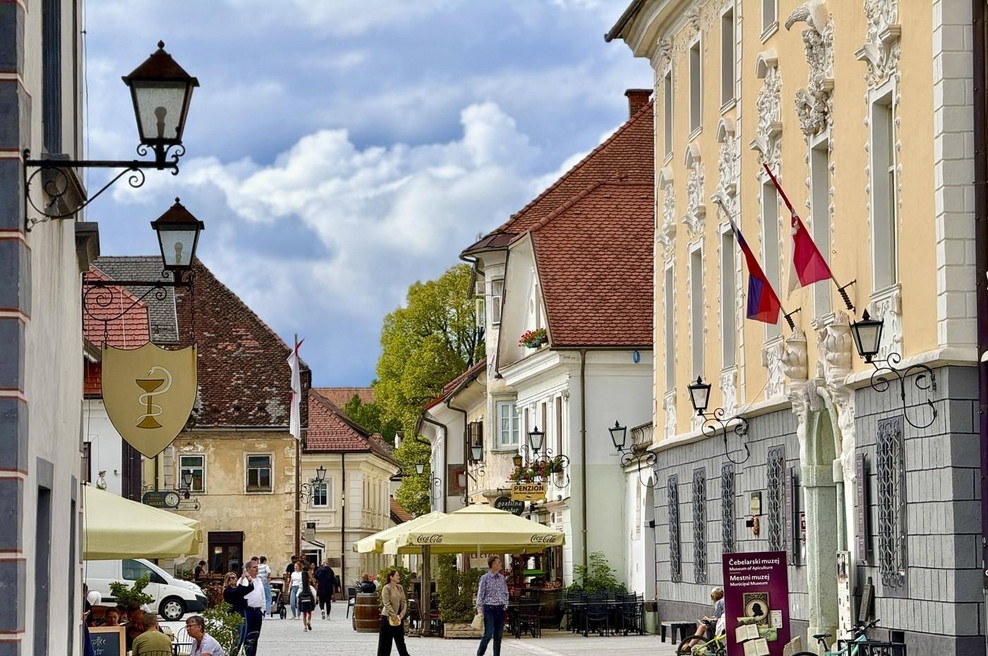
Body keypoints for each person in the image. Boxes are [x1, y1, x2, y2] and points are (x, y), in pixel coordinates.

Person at [475, 556, 509, 656]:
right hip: (489, 608)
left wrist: (505, 604)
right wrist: (480, 609)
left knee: (498, 636)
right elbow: (480, 594)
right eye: (499, 562)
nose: (501, 564)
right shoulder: (485, 578)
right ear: (493, 564)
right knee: (488, 634)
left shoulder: (502, 578)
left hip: (500, 608)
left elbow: (505, 592)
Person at [377, 569, 410, 656]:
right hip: (388, 618)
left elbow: (404, 601)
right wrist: (393, 616)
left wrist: (402, 614)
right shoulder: (386, 588)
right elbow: (386, 603)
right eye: (397, 575)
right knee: (385, 643)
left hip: (399, 618)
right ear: (391, 577)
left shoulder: (400, 587)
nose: (398, 577)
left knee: (400, 641)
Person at [238, 560, 265, 656]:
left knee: (256, 635)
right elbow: (239, 594)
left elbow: (262, 595)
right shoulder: (243, 581)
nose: (257, 569)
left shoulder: (259, 580)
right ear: (248, 569)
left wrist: (263, 609)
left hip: (257, 611)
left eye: (257, 567)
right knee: (247, 635)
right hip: (247, 610)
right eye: (254, 567)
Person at [298, 564, 316, 631]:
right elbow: (312, 581)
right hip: (309, 590)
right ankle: (309, 621)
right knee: (309, 612)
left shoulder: (300, 574)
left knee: (304, 613)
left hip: (302, 589)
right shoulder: (308, 574)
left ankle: (305, 627)